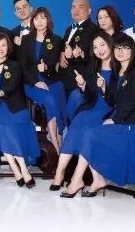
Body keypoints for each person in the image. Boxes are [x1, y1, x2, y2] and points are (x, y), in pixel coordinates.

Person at [60, 34, 135, 198]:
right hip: (117, 118)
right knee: (88, 132)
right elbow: (113, 100)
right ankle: (93, 180)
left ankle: (77, 181)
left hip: (129, 123)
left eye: (125, 48)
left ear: (133, 50)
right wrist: (104, 88)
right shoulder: (117, 70)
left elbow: (133, 99)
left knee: (90, 134)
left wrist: (114, 119)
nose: (120, 51)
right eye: (117, 48)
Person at [50, 31, 117, 190]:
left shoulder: (119, 68)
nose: (100, 50)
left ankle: (77, 178)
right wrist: (83, 85)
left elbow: (116, 99)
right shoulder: (93, 67)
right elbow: (90, 96)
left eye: (102, 45)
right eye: (95, 47)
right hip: (93, 106)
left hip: (109, 109)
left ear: (110, 45)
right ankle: (59, 172)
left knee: (85, 124)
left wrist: (104, 87)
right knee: (78, 120)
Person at [0, 33, 39, 188]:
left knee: (11, 132)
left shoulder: (15, 65)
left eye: (3, 45)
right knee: (0, 129)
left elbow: (12, 84)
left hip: (14, 107)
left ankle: (22, 168)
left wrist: (1, 93)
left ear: (8, 47)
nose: (0, 49)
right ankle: (17, 169)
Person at [19, 7, 65, 153]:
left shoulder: (56, 39)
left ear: (48, 20)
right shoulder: (26, 39)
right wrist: (35, 81)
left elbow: (52, 65)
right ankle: (56, 146)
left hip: (52, 80)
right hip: (31, 82)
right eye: (36, 18)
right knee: (50, 99)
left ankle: (59, 139)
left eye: (43, 18)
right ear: (33, 21)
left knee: (58, 99)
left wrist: (45, 68)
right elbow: (23, 65)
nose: (39, 21)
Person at [59, 0, 98, 99]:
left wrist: (73, 54)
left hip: (79, 79)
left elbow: (87, 53)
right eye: (73, 7)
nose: (75, 10)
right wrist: (60, 54)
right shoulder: (69, 28)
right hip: (64, 78)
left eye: (80, 7)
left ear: (89, 11)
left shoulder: (93, 29)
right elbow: (63, 47)